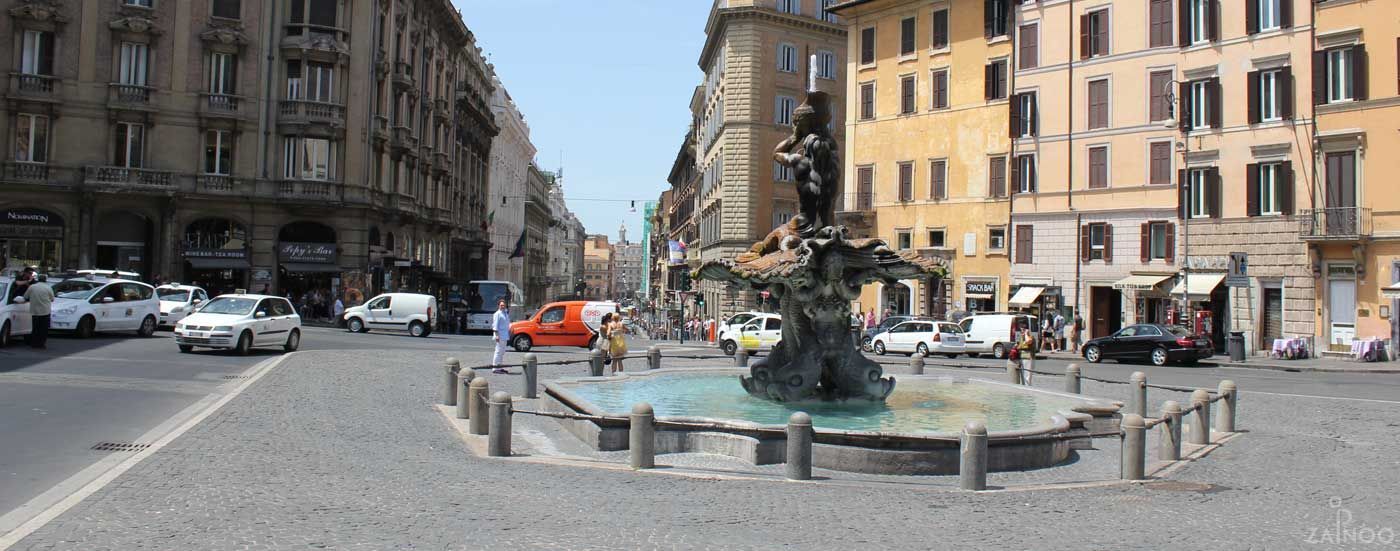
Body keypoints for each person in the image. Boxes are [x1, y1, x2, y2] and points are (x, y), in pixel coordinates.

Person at [22, 274, 54, 349]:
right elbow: (52, 299)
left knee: (35, 328)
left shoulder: (32, 287)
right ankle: (41, 344)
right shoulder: (48, 288)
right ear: (45, 280)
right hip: (45, 311)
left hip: (35, 311)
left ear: (38, 279)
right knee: (43, 329)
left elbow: (25, 296)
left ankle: (34, 343)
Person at [491, 299, 511, 374]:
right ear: (498, 305)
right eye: (501, 305)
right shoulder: (497, 314)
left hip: (505, 335)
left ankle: (499, 366)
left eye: (503, 305)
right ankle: (495, 367)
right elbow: (495, 325)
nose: (502, 306)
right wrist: (496, 335)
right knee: (498, 351)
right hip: (500, 335)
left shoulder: (505, 313)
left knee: (502, 352)